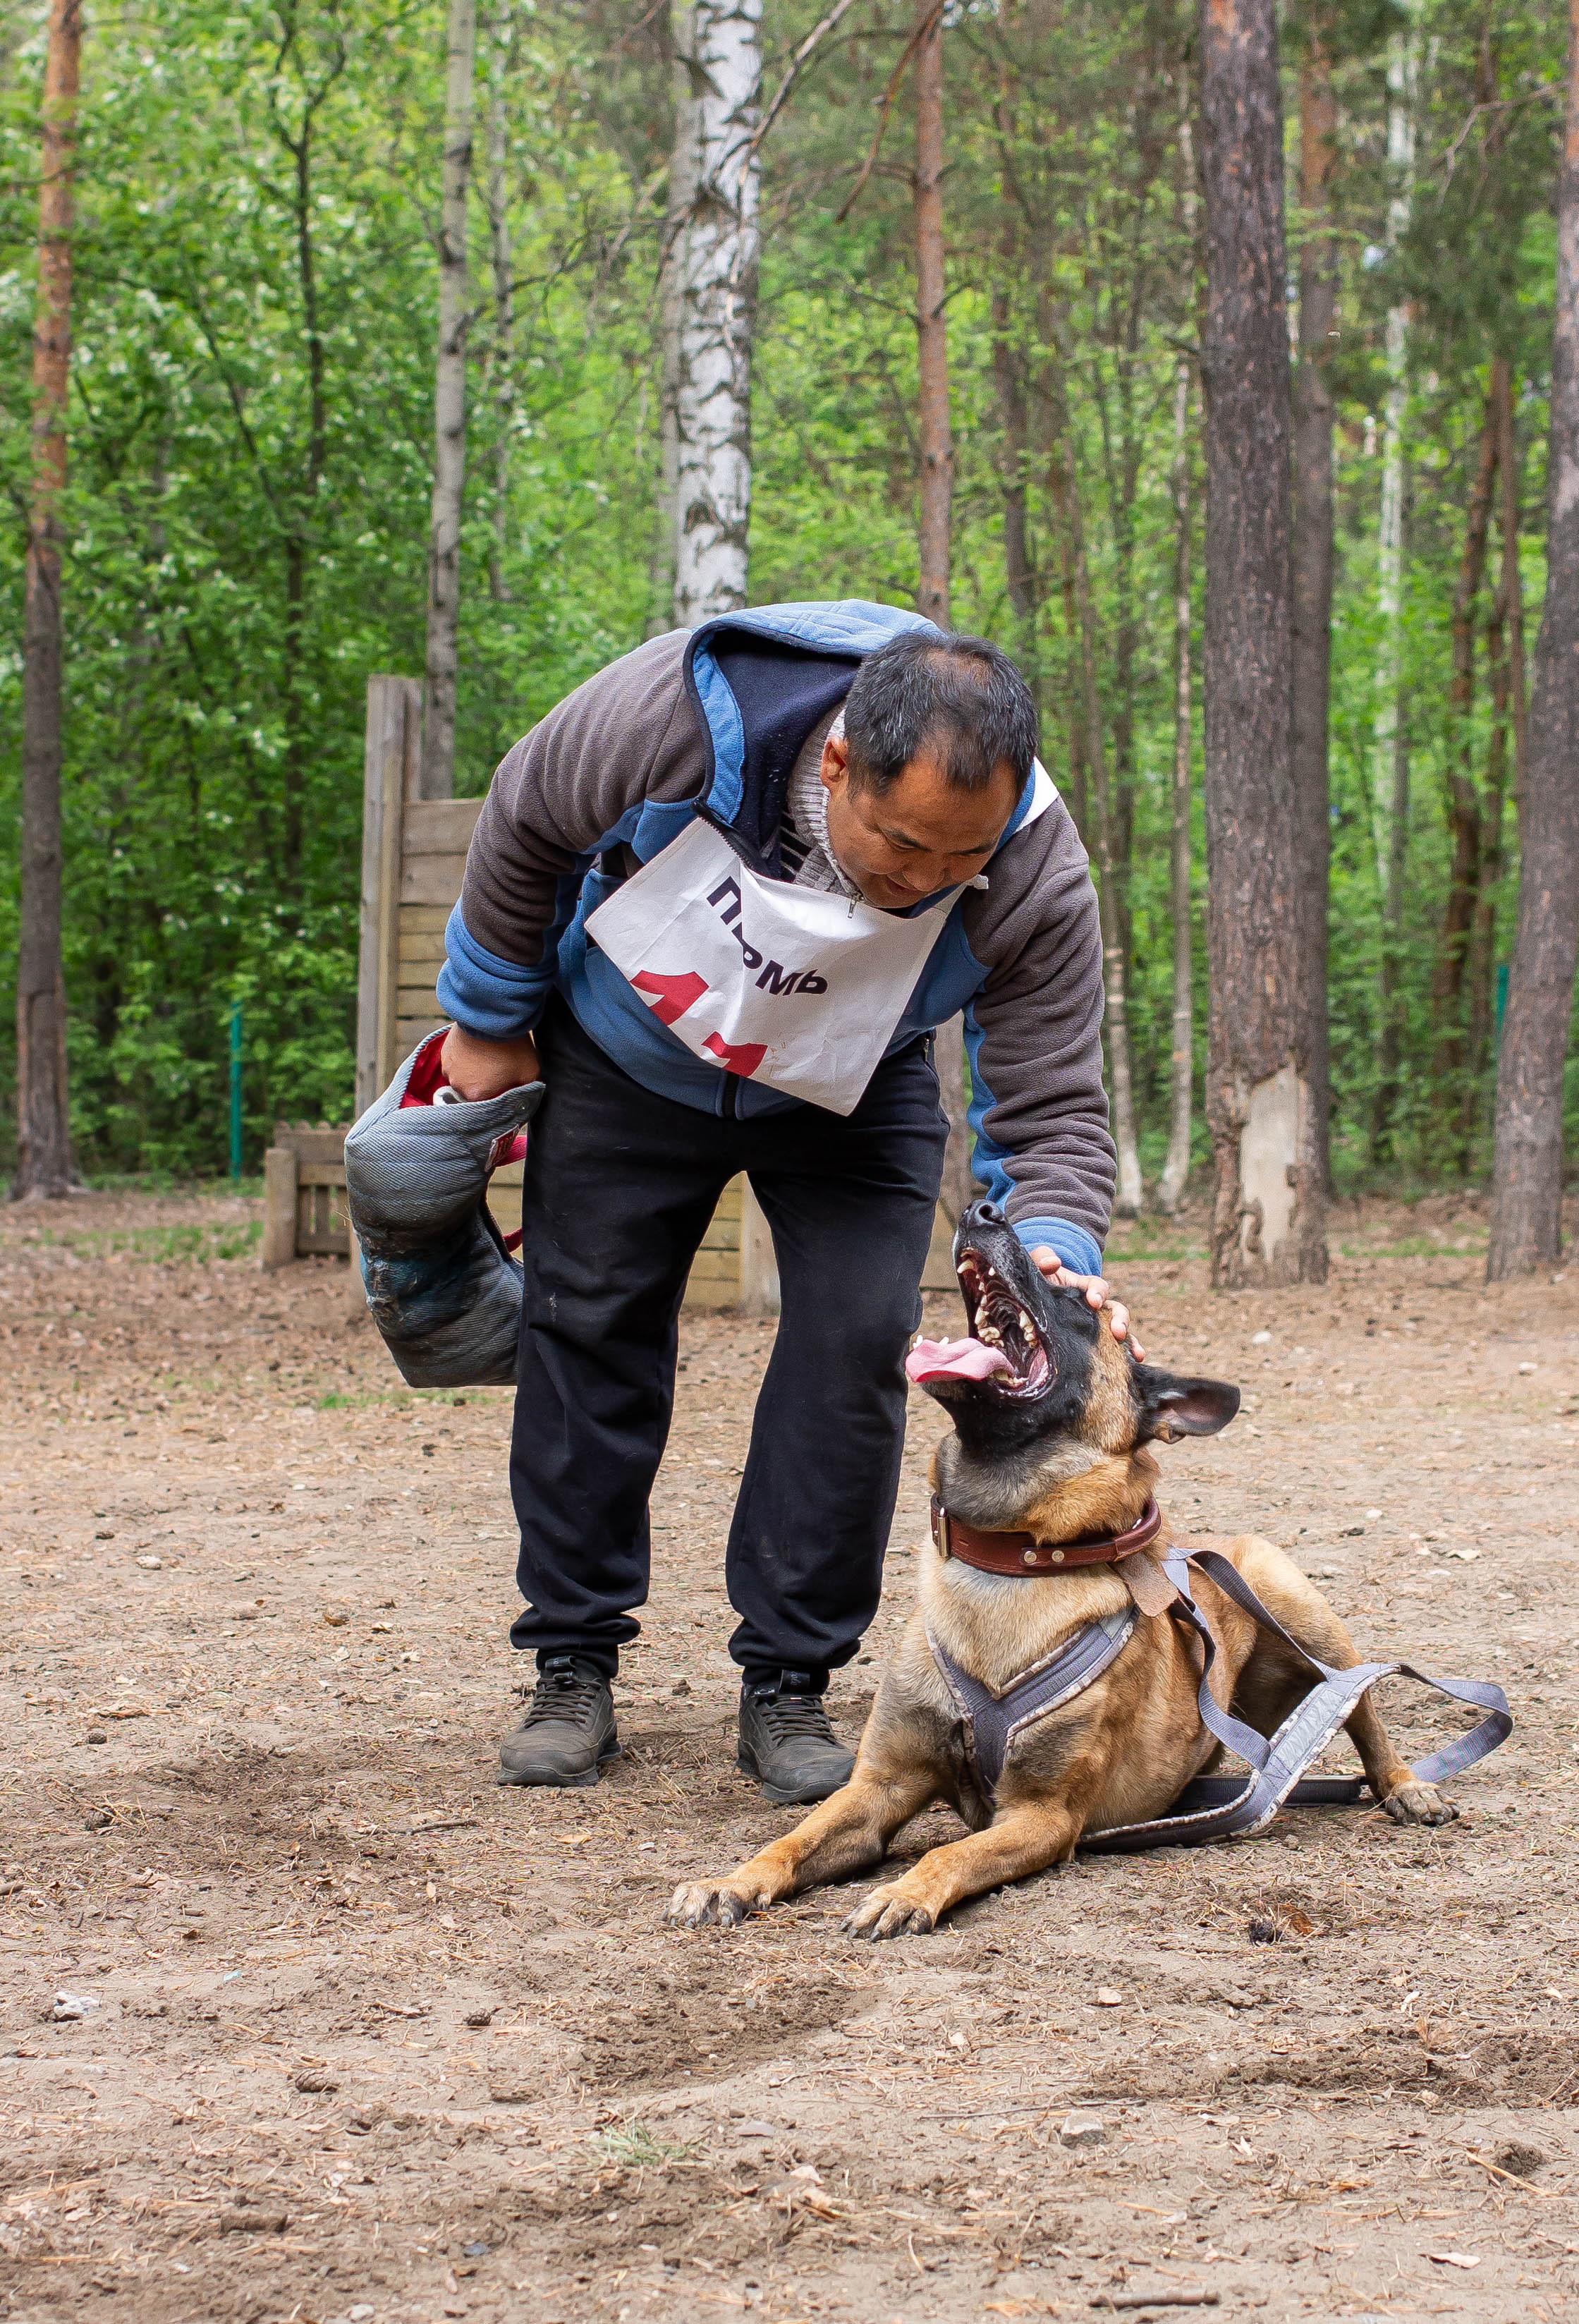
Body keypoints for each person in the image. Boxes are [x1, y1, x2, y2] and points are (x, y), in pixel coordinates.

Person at [437, 602, 1131, 1801]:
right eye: (904, 845)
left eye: (961, 859)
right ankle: (572, 1660)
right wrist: (490, 1016)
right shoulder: (672, 720)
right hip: (625, 1053)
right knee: (586, 1325)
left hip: (853, 1087)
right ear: (839, 763)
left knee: (857, 1345)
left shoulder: (1031, 866)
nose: (929, 881)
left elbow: (1054, 1103)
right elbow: (527, 812)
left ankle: (791, 1681)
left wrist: (1055, 1252)